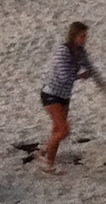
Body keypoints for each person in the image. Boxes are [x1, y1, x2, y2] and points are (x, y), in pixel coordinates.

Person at [39, 21, 106, 174]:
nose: (84, 39)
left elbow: (91, 69)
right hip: (51, 94)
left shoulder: (80, 52)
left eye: (85, 36)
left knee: (57, 129)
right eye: (82, 36)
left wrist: (103, 87)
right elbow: (64, 77)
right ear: (74, 36)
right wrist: (81, 76)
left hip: (64, 96)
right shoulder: (63, 51)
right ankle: (46, 159)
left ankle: (47, 157)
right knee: (63, 130)